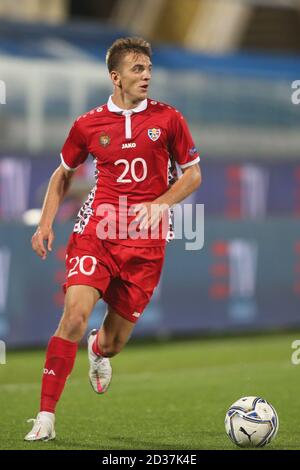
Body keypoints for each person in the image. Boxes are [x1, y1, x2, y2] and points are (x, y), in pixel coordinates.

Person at [25, 37, 201, 441]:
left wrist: (160, 203)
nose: (147, 76)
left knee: (115, 342)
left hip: (146, 242)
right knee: (73, 316)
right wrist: (46, 223)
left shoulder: (169, 119)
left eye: (149, 69)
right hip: (97, 232)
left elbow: (193, 174)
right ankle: (45, 417)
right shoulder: (88, 124)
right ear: (115, 76)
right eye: (138, 70)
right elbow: (63, 173)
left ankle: (98, 351)